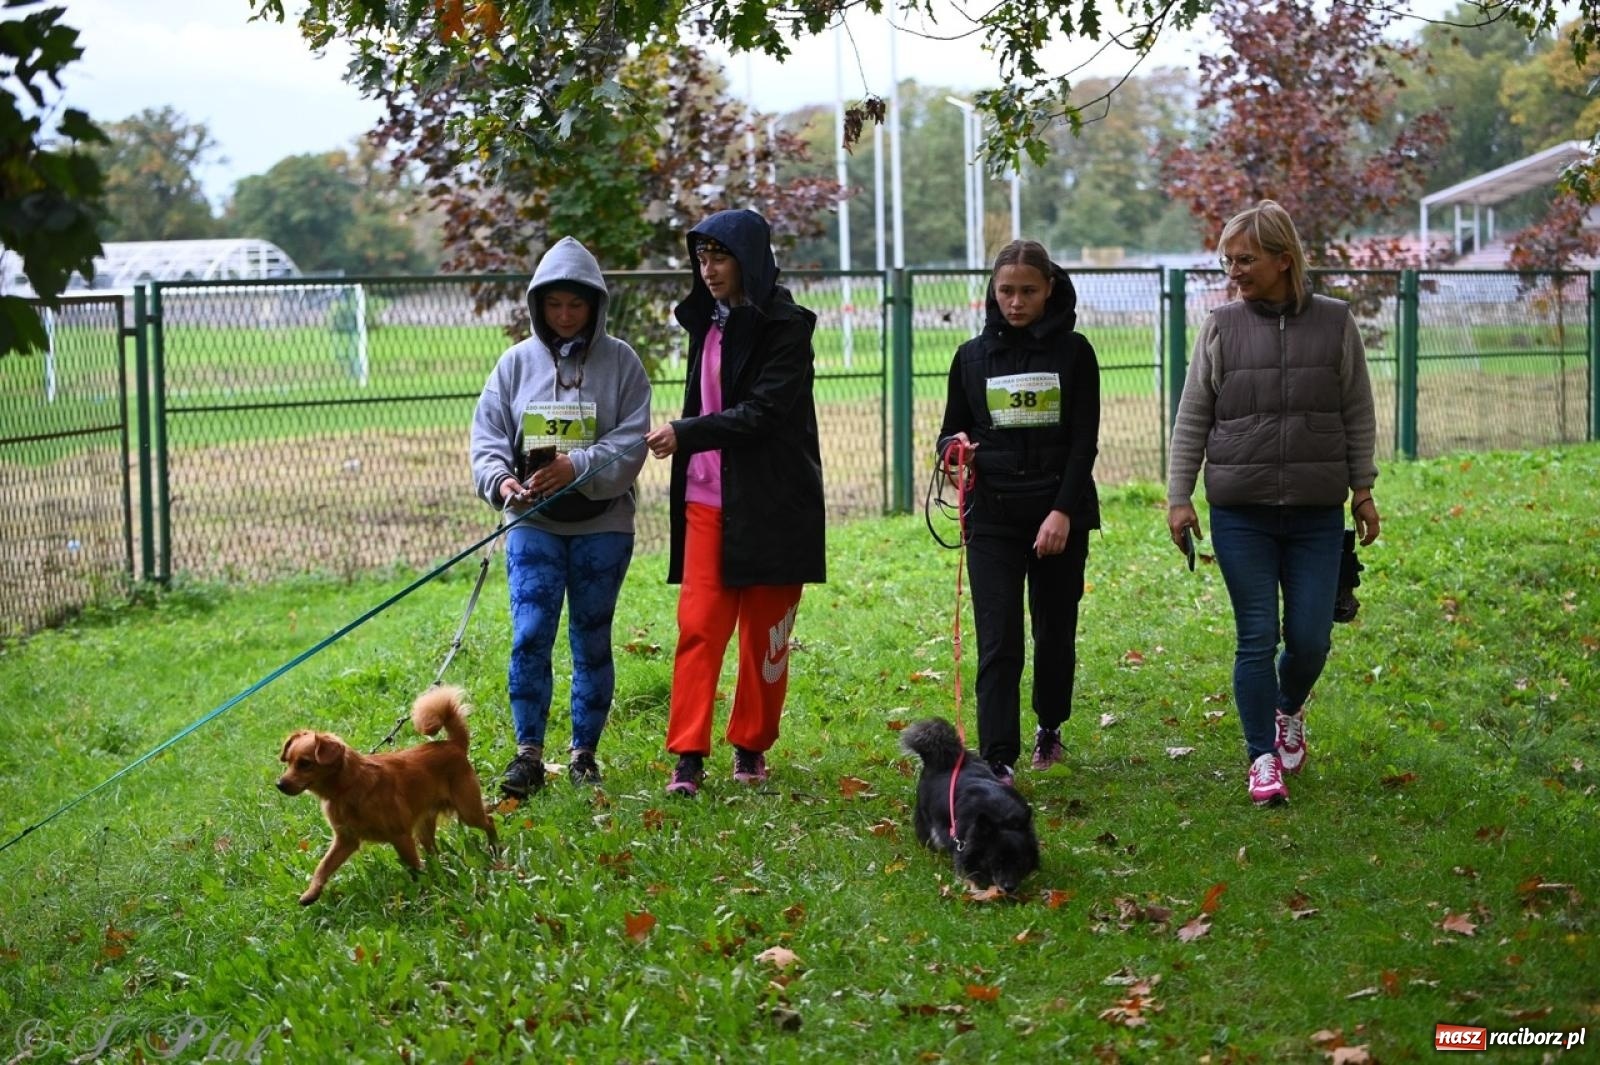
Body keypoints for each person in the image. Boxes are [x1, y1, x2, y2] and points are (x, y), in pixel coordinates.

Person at [1165, 200, 1381, 807]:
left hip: (1316, 513)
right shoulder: (1221, 326)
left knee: (1310, 638)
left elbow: (1356, 411)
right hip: (1241, 511)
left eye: (1246, 259)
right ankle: (1261, 756)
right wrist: (1179, 497)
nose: (1233, 271)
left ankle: (1288, 708)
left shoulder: (1335, 323)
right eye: (1228, 260)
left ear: (1284, 260)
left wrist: (1362, 489)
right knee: (1256, 636)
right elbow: (1192, 416)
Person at [644, 208, 825, 797]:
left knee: (764, 635)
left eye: (720, 257)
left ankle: (751, 746)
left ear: (749, 259)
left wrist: (687, 432)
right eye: (701, 258)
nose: (709, 269)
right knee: (699, 627)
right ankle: (688, 758)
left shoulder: (788, 327)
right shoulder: (706, 323)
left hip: (774, 504)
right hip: (707, 499)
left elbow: (767, 413)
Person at [471, 236, 651, 796]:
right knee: (530, 635)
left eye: (577, 305)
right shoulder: (514, 364)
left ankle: (584, 755)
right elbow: (488, 438)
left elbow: (632, 441)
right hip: (533, 525)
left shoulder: (622, 362)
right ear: (538, 306)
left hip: (603, 525)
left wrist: (578, 466)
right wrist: (500, 481)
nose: (566, 316)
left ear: (595, 306)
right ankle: (528, 754)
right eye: (555, 306)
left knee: (591, 638)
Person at [934, 238, 1101, 787]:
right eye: (1006, 290)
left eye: (1028, 291)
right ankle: (997, 759)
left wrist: (1062, 512)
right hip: (993, 517)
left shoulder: (1076, 354)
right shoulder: (971, 356)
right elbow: (949, 430)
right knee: (998, 638)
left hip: (1059, 514)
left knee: (1054, 631)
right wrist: (953, 451)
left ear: (1049, 290)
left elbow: (1084, 443)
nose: (1015, 302)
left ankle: (1049, 726)